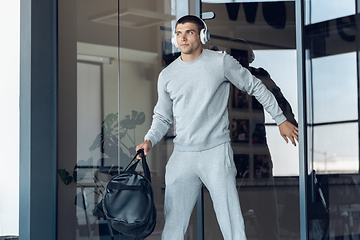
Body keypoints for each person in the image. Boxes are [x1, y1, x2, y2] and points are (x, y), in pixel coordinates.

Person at [136, 15, 298, 240]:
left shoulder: (220, 62)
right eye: (179, 33)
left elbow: (256, 87)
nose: (183, 37)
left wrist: (280, 119)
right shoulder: (167, 75)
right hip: (182, 154)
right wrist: (149, 140)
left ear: (202, 36)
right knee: (173, 226)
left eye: (189, 32)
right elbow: (162, 116)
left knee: (231, 224)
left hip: (216, 153)